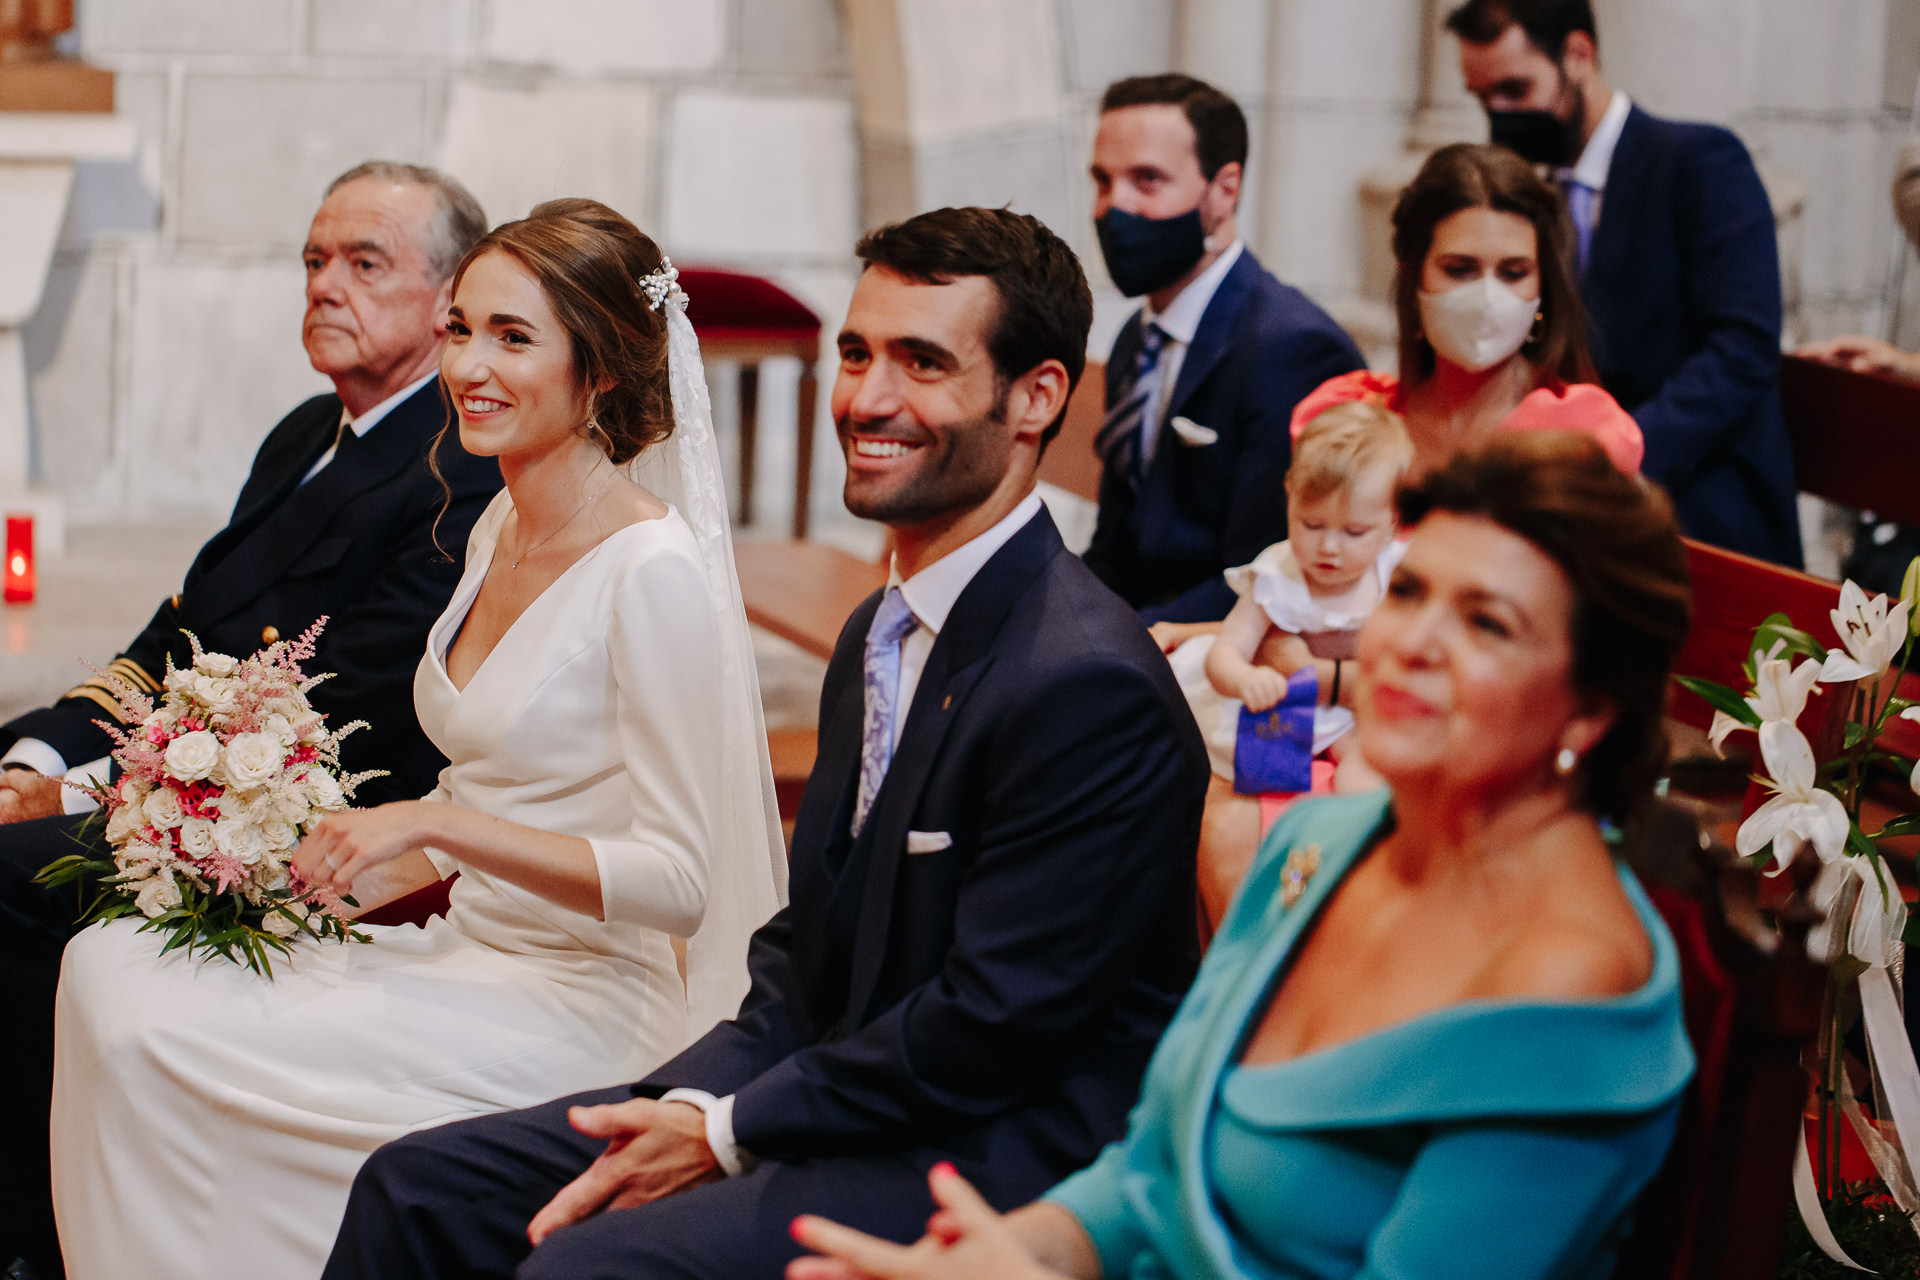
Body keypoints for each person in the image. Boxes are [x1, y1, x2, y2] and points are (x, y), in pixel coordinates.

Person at [322, 206, 1210, 1280]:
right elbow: (803, 952)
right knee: (416, 1190)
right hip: (838, 1089)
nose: (867, 398)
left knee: (581, 1264)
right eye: (856, 352)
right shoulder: (878, 634)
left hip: (991, 1154)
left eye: (922, 362)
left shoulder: (1084, 682)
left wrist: (727, 1126)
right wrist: (685, 1098)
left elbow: (988, 1026)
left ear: (1038, 398)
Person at [48, 199, 787, 1280]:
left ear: (604, 376)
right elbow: (507, 779)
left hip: (573, 993)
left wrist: (436, 821)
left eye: (515, 337)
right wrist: (328, 871)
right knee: (111, 964)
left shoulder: (650, 569)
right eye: (462, 329)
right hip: (468, 945)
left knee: (154, 1029)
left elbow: (679, 880)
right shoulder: (497, 522)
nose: (470, 366)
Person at [787, 431, 1696, 1280]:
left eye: (1488, 624)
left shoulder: (1567, 981)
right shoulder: (1317, 843)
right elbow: (1152, 1170)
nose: (1411, 645)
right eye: (1411, 592)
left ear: (1591, 709)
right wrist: (1015, 1250)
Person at [0, 160, 502, 1280]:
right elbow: (177, 632)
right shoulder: (305, 431)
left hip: (298, 812)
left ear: (447, 298)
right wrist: (39, 747)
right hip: (179, 766)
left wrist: (81, 792)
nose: (325, 285)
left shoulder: (459, 471)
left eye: (365, 263)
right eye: (315, 260)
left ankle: (30, 1234)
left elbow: (349, 697)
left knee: (11, 880)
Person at [1448, 0, 1801, 566]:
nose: (1500, 114)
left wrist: (1613, 454)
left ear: (1579, 54)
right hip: (1575, 502)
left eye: (1515, 89)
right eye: (1483, 98)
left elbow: (1742, 350)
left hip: (1700, 494)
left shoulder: (1698, 162)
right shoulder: (1537, 192)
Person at [1080, 73, 1364, 633]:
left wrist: (1109, 642)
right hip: (1134, 624)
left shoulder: (1294, 348)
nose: (1116, 207)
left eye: (1147, 180)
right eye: (1103, 181)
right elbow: (1116, 541)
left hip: (1221, 646)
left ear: (1224, 190)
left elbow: (1265, 570)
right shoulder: (1137, 338)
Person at [1170, 402, 1409, 925]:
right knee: (1240, 799)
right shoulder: (1277, 578)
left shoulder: (1398, 572)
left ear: (1392, 521)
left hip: (1348, 711)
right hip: (1279, 707)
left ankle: (1345, 872)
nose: (1328, 547)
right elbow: (1225, 653)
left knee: (1364, 780)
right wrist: (1245, 676)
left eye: (1355, 532)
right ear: (1289, 496)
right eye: (1311, 522)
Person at [1289, 142, 1642, 479]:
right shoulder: (1353, 423)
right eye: (1459, 269)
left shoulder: (1583, 434)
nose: (1488, 297)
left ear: (1542, 287)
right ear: (1412, 275)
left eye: (1513, 273)